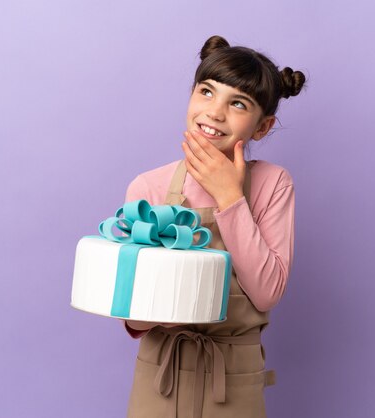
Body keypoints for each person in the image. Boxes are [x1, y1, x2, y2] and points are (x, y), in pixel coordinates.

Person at [122, 35, 306, 418]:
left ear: (262, 126)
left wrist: (230, 197)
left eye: (238, 103)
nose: (215, 112)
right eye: (207, 92)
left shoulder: (274, 184)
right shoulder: (148, 187)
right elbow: (134, 316)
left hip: (233, 376)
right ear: (191, 95)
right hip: (162, 372)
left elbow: (266, 292)